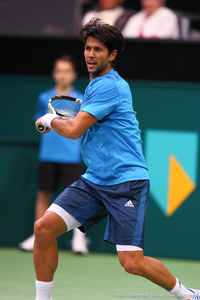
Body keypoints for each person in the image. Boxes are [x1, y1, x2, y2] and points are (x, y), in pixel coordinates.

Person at [34, 18, 199, 300]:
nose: (90, 54)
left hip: (126, 182)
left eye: (98, 49)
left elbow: (73, 130)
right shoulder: (95, 86)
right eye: (87, 48)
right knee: (44, 229)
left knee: (132, 263)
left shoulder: (109, 86)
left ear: (112, 55)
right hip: (95, 180)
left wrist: (48, 119)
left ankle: (187, 293)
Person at [19, 55, 89, 255]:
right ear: (54, 74)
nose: (63, 75)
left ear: (74, 75)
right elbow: (40, 124)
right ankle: (37, 235)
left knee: (76, 199)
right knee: (43, 195)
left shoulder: (81, 99)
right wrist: (44, 126)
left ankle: (79, 238)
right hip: (48, 155)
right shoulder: (44, 97)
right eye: (59, 71)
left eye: (67, 71)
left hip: (71, 156)